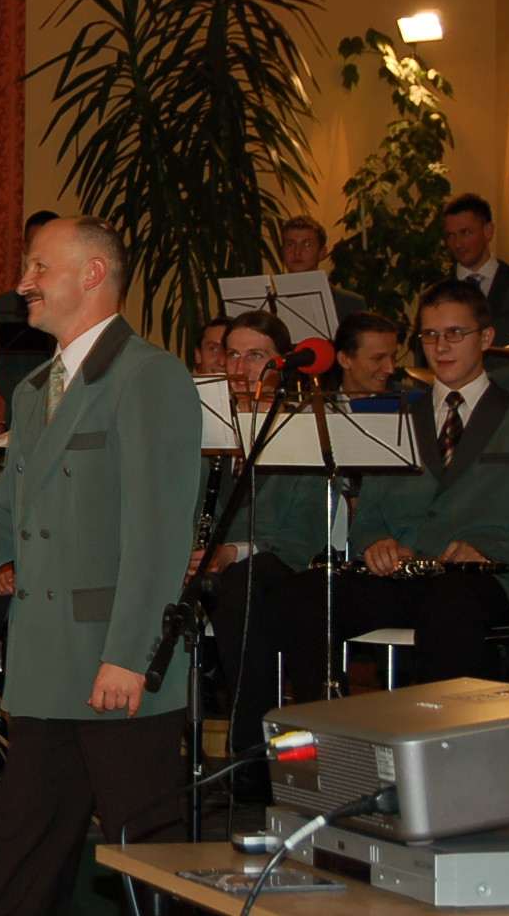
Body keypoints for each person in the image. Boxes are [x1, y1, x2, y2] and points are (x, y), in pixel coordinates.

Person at [0, 216, 202, 914]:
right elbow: (7, 512)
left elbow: (159, 534)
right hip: (44, 663)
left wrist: (130, 654)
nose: (23, 282)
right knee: (25, 862)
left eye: (38, 267)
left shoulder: (149, 376)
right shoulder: (33, 391)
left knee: (151, 864)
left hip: (117, 664)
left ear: (93, 274)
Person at [282, 279, 509, 702]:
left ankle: (441, 733)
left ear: (486, 338)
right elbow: (369, 515)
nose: (440, 346)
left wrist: (490, 552)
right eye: (429, 335)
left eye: (454, 333)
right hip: (407, 575)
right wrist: (377, 543)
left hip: (485, 579)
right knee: (308, 595)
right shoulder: (399, 419)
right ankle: (325, 725)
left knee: (451, 605)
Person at [191, 311, 327, 796]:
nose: (239, 367)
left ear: (281, 363)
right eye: (232, 354)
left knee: (242, 588)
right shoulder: (210, 425)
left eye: (256, 356)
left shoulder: (303, 426)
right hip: (217, 565)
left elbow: (305, 527)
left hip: (283, 564)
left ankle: (251, 754)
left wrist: (232, 550)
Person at [440, 192, 509, 399]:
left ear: (488, 231)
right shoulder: (437, 295)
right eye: (451, 236)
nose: (458, 244)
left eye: (465, 233)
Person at [0, 210, 59, 413]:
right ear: (25, 248)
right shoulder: (10, 305)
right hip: (24, 407)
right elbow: (8, 372)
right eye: (35, 244)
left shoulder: (74, 298)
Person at [278, 213, 367, 326]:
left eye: (307, 244)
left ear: (322, 253)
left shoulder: (351, 303)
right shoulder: (268, 300)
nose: (297, 252)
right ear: (282, 251)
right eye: (290, 244)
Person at [333, 312, 401, 397]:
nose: (390, 369)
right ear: (344, 360)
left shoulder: (406, 401)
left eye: (393, 357)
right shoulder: (321, 403)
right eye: (378, 358)